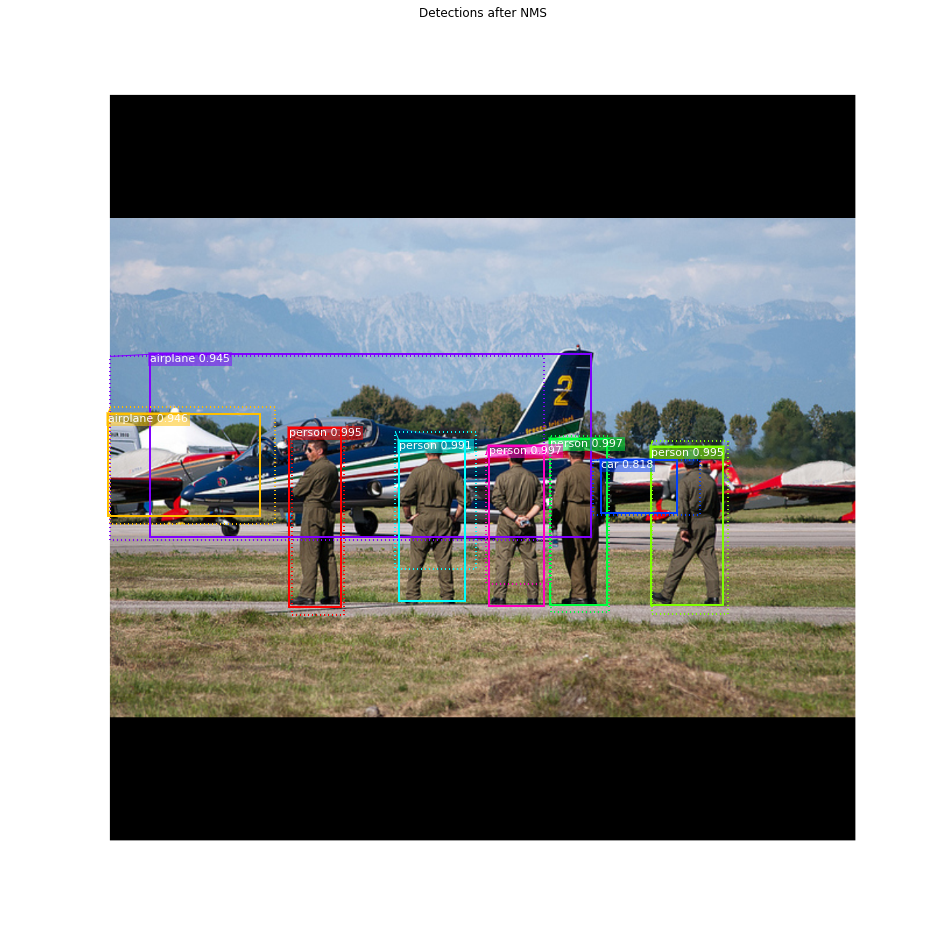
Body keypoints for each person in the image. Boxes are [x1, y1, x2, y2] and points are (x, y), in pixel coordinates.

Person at [401, 443, 465, 601]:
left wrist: (409, 517)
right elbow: (464, 500)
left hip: (422, 518)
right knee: (444, 560)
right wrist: (455, 517)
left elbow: (404, 499)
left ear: (426, 453)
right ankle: (447, 596)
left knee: (417, 560)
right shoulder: (452, 474)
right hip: (444, 517)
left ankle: (412, 596)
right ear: (440, 453)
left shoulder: (417, 472)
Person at [653, 459, 721, 604]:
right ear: (698, 464)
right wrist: (711, 519)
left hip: (692, 523)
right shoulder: (710, 481)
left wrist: (684, 527)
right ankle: (714, 596)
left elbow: (683, 506)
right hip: (709, 522)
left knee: (679, 558)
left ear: (685, 465)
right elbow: (717, 505)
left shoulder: (685, 481)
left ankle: (666, 595)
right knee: (709, 560)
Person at [291, 439, 340, 606]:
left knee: (310, 554)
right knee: (328, 555)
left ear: (320, 451)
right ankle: (332, 595)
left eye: (310, 450)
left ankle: (307, 595)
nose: (306, 453)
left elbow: (298, 491)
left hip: (313, 512)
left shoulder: (314, 469)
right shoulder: (332, 468)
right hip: (328, 512)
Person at [552, 449, 602, 604]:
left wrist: (554, 521)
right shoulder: (595, 473)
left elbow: (558, 501)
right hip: (592, 511)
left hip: (573, 511)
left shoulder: (566, 473)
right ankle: (590, 593)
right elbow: (604, 498)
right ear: (583, 455)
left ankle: (579, 594)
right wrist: (600, 518)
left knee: (575, 553)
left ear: (569, 455)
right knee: (591, 554)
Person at [491, 456, 542, 605]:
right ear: (523, 459)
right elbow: (540, 502)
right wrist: (526, 517)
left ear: (509, 458)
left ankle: (499, 596)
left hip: (507, 522)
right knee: (530, 560)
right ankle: (533, 598)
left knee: (503, 559)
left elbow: (497, 501)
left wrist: (514, 517)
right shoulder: (532, 478)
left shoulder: (502, 477)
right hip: (527, 522)